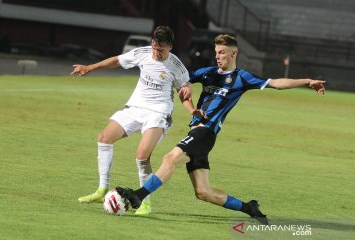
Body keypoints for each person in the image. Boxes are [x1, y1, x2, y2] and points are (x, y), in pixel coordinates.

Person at [116, 34, 326, 224]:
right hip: (196, 132)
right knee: (203, 192)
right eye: (216, 52)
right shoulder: (207, 73)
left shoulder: (241, 77)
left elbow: (276, 83)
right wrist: (186, 87)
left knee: (169, 159)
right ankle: (249, 208)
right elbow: (182, 78)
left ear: (234, 53)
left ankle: (138, 196)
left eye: (222, 53)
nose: (218, 56)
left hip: (205, 133)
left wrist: (307, 81)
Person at [71, 26, 194, 215]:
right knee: (104, 138)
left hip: (158, 113)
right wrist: (90, 67)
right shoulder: (142, 53)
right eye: (154, 47)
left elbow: (185, 88)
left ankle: (145, 203)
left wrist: (191, 105)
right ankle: (102, 189)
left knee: (142, 156)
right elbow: (117, 61)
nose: (156, 53)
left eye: (160, 50)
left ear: (169, 46)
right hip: (135, 108)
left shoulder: (176, 66)